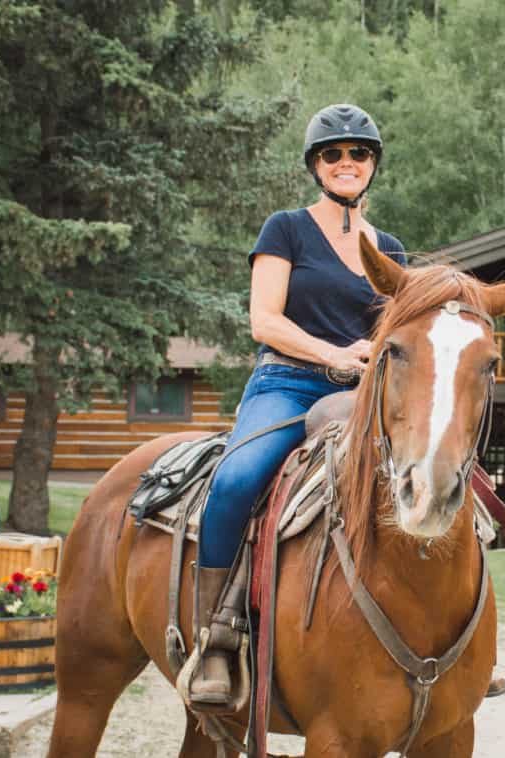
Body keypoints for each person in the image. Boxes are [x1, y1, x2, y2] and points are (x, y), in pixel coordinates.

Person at [188, 104, 405, 710]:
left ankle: (451, 636)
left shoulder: (389, 247)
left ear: (372, 165)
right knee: (235, 481)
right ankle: (217, 637)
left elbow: (398, 327)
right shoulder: (284, 228)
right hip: (287, 382)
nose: (345, 163)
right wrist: (334, 354)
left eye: (357, 153)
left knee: (441, 476)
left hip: (360, 395)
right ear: (316, 164)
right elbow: (264, 319)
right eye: (332, 154)